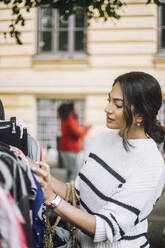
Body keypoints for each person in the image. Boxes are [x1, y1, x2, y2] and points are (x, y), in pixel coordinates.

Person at [31, 71, 165, 248]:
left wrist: (52, 199)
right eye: (109, 100)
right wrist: (36, 171)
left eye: (117, 105)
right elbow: (76, 193)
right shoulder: (104, 139)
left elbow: (105, 227)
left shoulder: (150, 164)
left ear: (140, 115)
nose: (107, 108)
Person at [57, 102, 91, 181]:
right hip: (71, 151)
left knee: (70, 173)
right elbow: (79, 134)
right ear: (72, 110)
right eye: (76, 108)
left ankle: (65, 190)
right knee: (75, 173)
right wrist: (87, 128)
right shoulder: (70, 120)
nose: (78, 109)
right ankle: (71, 192)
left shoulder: (64, 120)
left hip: (66, 150)